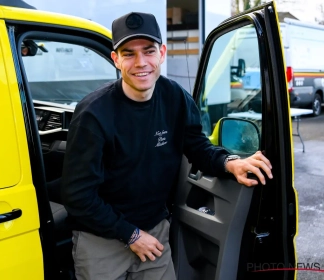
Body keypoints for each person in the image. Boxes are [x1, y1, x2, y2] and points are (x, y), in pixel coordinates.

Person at [60, 12, 273, 280]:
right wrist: (131, 235)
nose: (141, 63)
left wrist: (230, 163)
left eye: (148, 51)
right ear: (116, 59)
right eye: (129, 54)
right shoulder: (93, 114)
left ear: (161, 52)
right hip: (101, 240)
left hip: (154, 231)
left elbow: (197, 146)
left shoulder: (175, 98)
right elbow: (78, 196)